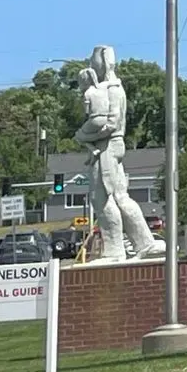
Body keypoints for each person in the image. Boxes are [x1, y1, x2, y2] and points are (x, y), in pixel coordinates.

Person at [74, 46, 160, 260]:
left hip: (108, 147)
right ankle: (145, 243)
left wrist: (84, 136)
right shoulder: (108, 88)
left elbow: (109, 123)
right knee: (120, 196)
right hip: (110, 147)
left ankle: (115, 250)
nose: (92, 67)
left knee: (101, 197)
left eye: (94, 63)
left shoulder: (111, 89)